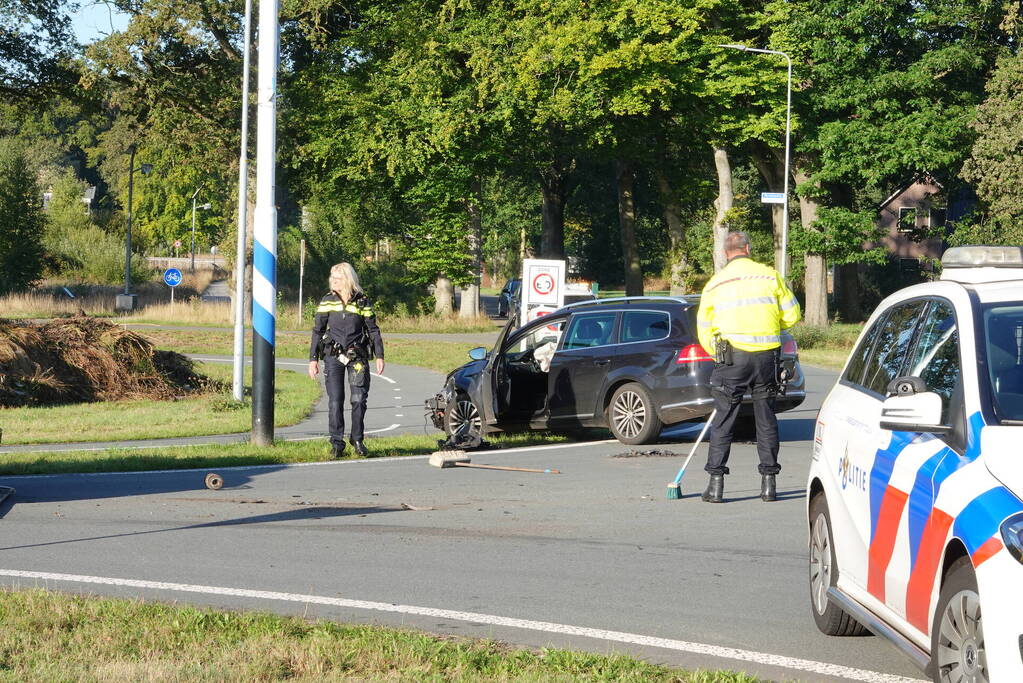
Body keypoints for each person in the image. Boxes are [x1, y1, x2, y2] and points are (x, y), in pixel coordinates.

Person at [696, 231, 801, 503]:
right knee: (765, 419)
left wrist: (717, 353)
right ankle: (769, 484)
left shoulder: (715, 284)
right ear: (748, 249)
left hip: (732, 359)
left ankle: (716, 485)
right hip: (766, 358)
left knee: (724, 420)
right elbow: (792, 314)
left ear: (725, 253)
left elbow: (704, 327)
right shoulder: (770, 276)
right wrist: (772, 328)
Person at [308, 263, 385, 458]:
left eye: (338, 278)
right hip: (332, 356)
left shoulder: (362, 301)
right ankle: (336, 443)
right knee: (335, 401)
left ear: (348, 279)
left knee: (359, 399)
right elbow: (317, 331)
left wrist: (379, 355)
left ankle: (357, 439)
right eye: (332, 278)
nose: (333, 281)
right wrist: (313, 360)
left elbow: (373, 330)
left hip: (357, 357)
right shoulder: (327, 300)